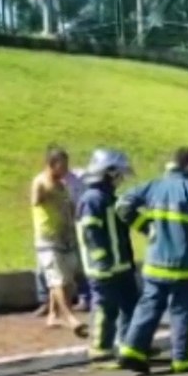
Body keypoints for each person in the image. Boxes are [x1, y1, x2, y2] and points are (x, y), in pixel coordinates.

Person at [115, 147, 188, 375]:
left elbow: (122, 205)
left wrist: (145, 226)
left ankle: (132, 350)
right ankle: (183, 359)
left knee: (148, 307)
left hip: (154, 264)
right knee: (183, 312)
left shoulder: (153, 186)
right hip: (184, 266)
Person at [76, 149, 139, 362]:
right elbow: (90, 232)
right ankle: (100, 351)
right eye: (119, 174)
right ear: (109, 172)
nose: (121, 178)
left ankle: (127, 346)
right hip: (104, 269)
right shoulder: (93, 199)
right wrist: (102, 260)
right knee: (105, 308)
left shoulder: (109, 198)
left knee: (130, 306)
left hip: (121, 267)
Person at [30, 144, 86, 337]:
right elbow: (36, 200)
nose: (67, 169)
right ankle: (69, 318)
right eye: (63, 164)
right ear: (52, 164)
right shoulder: (41, 182)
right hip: (48, 238)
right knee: (57, 280)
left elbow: (70, 208)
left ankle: (53, 314)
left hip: (66, 237)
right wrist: (47, 190)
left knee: (68, 279)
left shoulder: (63, 185)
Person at [34, 166, 92, 315]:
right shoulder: (43, 182)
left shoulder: (75, 180)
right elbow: (36, 201)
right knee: (46, 270)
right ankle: (47, 303)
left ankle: (83, 299)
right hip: (48, 233)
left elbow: (73, 204)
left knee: (74, 266)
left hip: (71, 227)